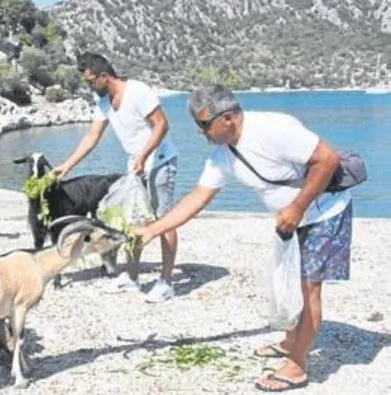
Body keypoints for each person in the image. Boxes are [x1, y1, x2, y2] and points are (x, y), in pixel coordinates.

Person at [134, 84, 353, 392]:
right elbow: (197, 197)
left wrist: (297, 207)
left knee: (307, 288)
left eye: (203, 124)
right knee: (286, 281)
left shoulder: (274, 128)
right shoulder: (222, 156)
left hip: (324, 212)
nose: (200, 132)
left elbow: (327, 159)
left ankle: (298, 365)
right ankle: (292, 341)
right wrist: (152, 229)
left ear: (227, 118)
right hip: (289, 220)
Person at [51, 52, 179, 302]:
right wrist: (66, 166)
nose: (88, 86)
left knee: (164, 222)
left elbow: (162, 125)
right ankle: (131, 278)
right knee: (132, 222)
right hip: (137, 166)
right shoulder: (103, 101)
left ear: (104, 76)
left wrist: (143, 155)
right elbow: (92, 137)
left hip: (160, 162)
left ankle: (166, 282)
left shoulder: (138, 91)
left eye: (90, 82)